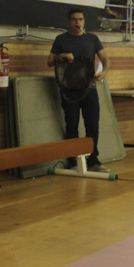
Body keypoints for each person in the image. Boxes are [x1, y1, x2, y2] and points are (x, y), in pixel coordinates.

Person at [48, 9, 111, 173]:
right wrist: (61, 55)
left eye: (81, 19)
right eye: (74, 19)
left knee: (92, 125)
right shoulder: (61, 39)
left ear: (84, 21)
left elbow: (105, 58)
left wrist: (103, 72)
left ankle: (93, 159)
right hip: (69, 90)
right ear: (68, 22)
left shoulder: (92, 39)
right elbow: (49, 61)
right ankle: (73, 160)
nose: (78, 23)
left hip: (89, 89)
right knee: (72, 126)